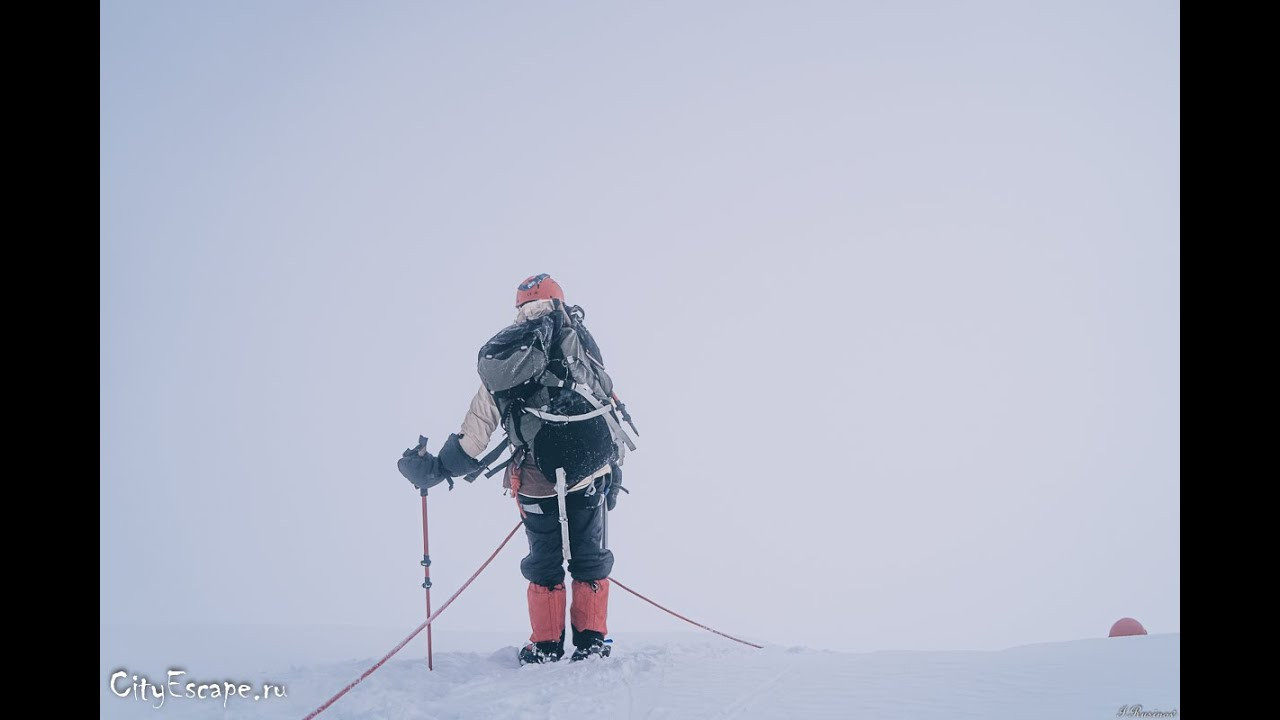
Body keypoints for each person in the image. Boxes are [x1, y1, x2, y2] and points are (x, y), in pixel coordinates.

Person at [397, 274, 636, 664]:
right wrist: (613, 467)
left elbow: (476, 432)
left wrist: (438, 468)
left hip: (535, 483)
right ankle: (591, 643)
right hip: (590, 477)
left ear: (519, 310)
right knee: (589, 556)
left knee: (544, 559)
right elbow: (607, 408)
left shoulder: (506, 362)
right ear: (560, 303)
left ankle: (545, 646)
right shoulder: (580, 349)